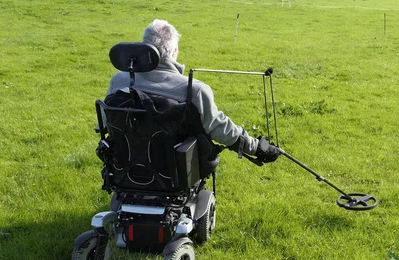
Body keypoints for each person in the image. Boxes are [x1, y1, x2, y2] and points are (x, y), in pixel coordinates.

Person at [106, 19, 279, 164]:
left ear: (144, 48)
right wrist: (257, 147)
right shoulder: (193, 90)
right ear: (174, 52)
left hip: (126, 165)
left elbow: (107, 121)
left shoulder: (119, 81)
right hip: (176, 170)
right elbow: (220, 128)